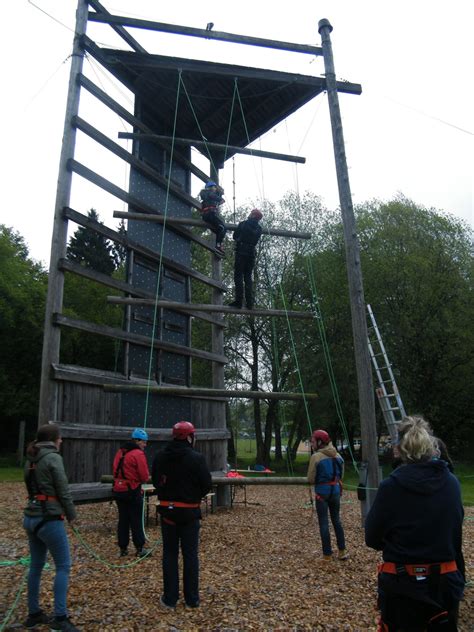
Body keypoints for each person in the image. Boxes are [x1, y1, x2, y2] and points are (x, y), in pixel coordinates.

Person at [365, 416, 465, 631]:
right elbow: (455, 533)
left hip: (403, 585)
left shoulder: (391, 487)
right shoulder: (451, 483)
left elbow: (372, 538)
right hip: (444, 584)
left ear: (399, 449)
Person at [23, 423, 79, 631]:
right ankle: (60, 617)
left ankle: (34, 613)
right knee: (63, 566)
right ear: (54, 439)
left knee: (36, 566)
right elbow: (63, 490)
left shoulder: (31, 458)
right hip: (48, 519)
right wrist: (72, 515)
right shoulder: (53, 458)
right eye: (60, 437)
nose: (62, 440)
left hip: (31, 517)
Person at [151, 421, 212, 610]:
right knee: (190, 555)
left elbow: (155, 480)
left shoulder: (161, 456)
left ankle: (170, 599)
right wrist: (195, 496)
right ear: (189, 437)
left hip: (168, 512)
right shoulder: (197, 458)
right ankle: (191, 599)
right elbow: (206, 484)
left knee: (170, 554)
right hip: (189, 513)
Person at [306, 429, 348, 561]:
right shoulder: (338, 456)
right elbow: (341, 475)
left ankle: (327, 554)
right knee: (336, 520)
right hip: (335, 491)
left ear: (319, 442)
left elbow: (311, 479)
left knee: (324, 522)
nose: (312, 444)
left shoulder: (316, 457)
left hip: (322, 493)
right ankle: (342, 551)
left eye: (313, 441)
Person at [112, 427, 151, 558]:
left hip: (118, 490)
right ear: (137, 441)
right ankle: (139, 548)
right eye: (144, 442)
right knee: (136, 520)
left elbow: (115, 470)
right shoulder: (138, 454)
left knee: (123, 520)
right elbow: (144, 476)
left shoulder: (120, 452)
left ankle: (123, 548)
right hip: (132, 491)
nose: (145, 445)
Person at [228, 208, 263, 309]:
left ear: (252, 215)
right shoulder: (259, 229)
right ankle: (250, 303)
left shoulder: (243, 224)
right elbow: (255, 241)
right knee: (248, 278)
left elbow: (235, 236)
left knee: (238, 276)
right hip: (251, 253)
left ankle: (239, 301)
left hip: (241, 252)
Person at [198, 180, 226, 253]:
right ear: (210, 187)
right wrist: (221, 198)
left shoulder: (205, 195)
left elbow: (213, 199)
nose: (215, 189)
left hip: (206, 215)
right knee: (223, 228)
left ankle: (218, 245)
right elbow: (216, 197)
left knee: (219, 230)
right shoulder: (209, 193)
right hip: (210, 214)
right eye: (214, 187)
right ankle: (218, 246)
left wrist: (219, 196)